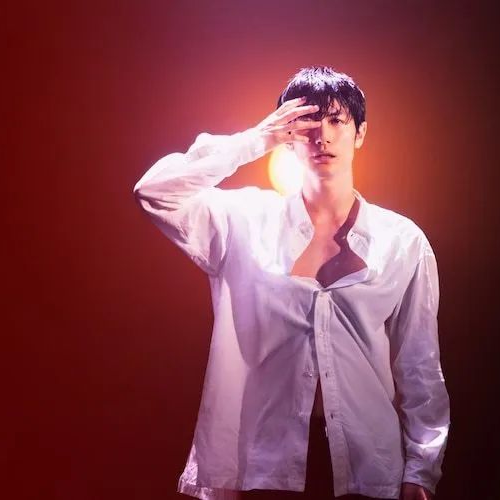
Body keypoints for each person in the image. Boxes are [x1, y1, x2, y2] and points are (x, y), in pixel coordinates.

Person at [133, 66, 450, 500]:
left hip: (368, 467)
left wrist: (422, 469)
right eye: (307, 122)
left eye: (336, 121)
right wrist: (256, 140)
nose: (322, 136)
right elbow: (154, 191)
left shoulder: (402, 241)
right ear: (287, 134)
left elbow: (419, 366)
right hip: (267, 466)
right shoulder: (246, 222)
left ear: (359, 134)